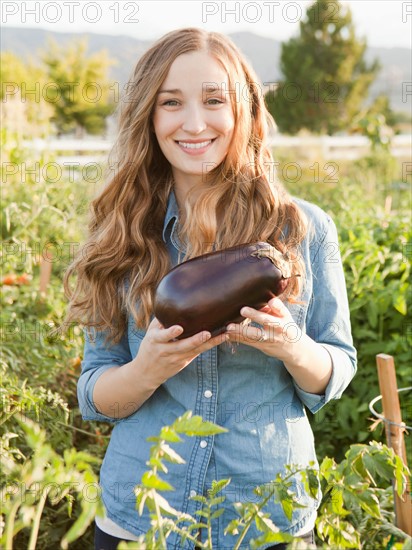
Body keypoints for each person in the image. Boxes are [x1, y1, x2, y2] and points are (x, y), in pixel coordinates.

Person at [63, 27, 357, 550]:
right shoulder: (121, 235)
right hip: (143, 520)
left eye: (214, 100)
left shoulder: (303, 230)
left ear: (242, 110)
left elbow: (336, 368)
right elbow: (94, 392)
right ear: (148, 118)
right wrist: (145, 370)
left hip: (266, 518)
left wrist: (291, 346)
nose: (193, 123)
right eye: (170, 102)